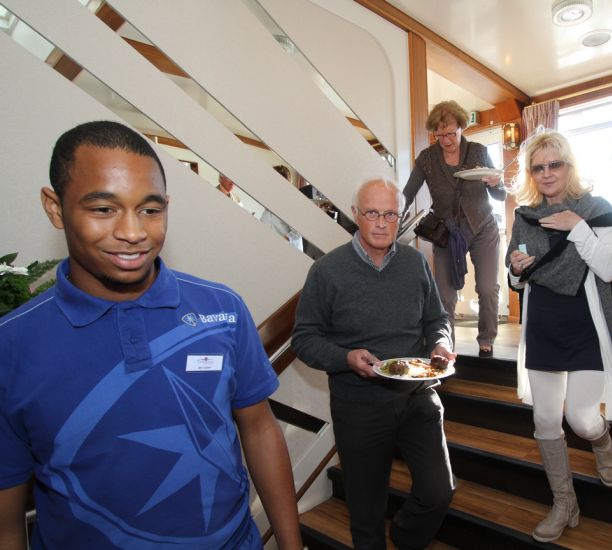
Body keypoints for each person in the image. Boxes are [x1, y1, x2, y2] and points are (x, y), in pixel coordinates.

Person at [0, 121, 302, 550]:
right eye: (103, 209)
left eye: (150, 210)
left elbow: (259, 430)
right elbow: (7, 519)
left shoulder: (222, 309)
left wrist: (291, 544)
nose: (133, 232)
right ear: (55, 207)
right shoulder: (12, 346)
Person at [292, 178, 455, 550]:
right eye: (372, 213)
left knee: (438, 492)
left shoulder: (415, 262)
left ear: (400, 217)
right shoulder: (327, 271)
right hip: (358, 405)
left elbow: (437, 319)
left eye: (390, 214)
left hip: (417, 397)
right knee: (366, 514)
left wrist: (441, 343)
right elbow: (304, 339)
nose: (382, 223)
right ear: (355, 214)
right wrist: (345, 358)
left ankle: (404, 537)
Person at [507, 130, 612, 543]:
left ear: (570, 166)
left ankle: (601, 440)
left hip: (587, 325)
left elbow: (606, 268)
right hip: (543, 325)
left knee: (581, 418)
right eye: (538, 167)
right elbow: (517, 281)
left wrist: (578, 227)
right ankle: (564, 502)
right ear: (530, 174)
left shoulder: (596, 210)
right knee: (545, 419)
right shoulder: (525, 215)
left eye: (555, 164)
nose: (547, 173)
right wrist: (515, 269)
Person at [403, 100, 505, 357]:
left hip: (482, 228)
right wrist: (393, 214)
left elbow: (500, 195)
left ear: (461, 127)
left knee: (487, 288)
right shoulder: (427, 159)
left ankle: (486, 338)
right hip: (447, 234)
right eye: (439, 135)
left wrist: (495, 184)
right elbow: (408, 193)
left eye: (450, 133)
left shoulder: (479, 152)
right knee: (445, 296)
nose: (446, 140)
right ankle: (445, 345)